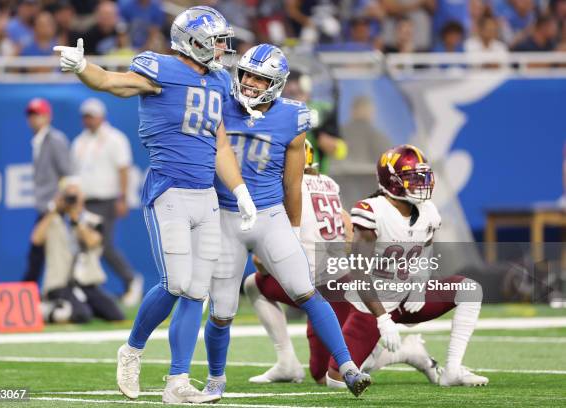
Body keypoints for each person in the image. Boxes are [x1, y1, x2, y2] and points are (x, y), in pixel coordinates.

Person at [53, 6, 257, 404]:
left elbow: (220, 146)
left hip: (206, 197)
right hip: (170, 190)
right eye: (215, 41)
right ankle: (132, 350)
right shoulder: (161, 70)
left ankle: (177, 382)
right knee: (176, 283)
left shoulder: (217, 81)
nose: (221, 49)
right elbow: (113, 82)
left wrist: (241, 191)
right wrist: (83, 67)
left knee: (197, 293)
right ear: (193, 42)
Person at [186, 44, 370, 402]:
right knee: (223, 310)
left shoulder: (294, 117)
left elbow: (292, 182)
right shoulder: (221, 102)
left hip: (270, 215)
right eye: (248, 74)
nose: (251, 82)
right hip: (226, 214)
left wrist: (295, 228)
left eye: (261, 78)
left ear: (277, 83)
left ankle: (348, 367)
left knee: (306, 291)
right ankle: (215, 380)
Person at [243, 141, 440, 386]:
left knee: (325, 376)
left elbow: (260, 261)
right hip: (341, 282)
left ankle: (404, 352)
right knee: (259, 284)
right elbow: (348, 229)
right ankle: (288, 363)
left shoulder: (285, 188)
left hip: (318, 288)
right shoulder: (328, 183)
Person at [324, 144, 489, 387]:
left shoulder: (428, 212)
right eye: (412, 178)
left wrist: (420, 284)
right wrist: (381, 318)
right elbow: (358, 272)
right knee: (337, 381)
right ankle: (404, 352)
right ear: (391, 182)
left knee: (470, 290)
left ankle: (452, 370)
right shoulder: (373, 212)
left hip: (406, 297)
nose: (421, 183)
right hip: (371, 306)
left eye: (422, 176)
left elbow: (426, 250)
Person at [71, 97, 143, 307]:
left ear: (101, 116)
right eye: (85, 117)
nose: (88, 120)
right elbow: (76, 174)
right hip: (85, 202)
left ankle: (131, 280)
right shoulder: (79, 141)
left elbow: (123, 169)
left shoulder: (114, 138)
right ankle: (86, 289)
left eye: (92, 116)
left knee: (104, 246)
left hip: (107, 199)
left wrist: (123, 197)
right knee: (85, 247)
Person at [33, 177, 125, 324]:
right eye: (68, 195)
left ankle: (72, 307)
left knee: (116, 315)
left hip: (86, 283)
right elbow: (36, 239)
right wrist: (53, 210)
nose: (72, 199)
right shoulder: (53, 220)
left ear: (82, 197)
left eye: (75, 195)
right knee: (82, 315)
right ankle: (47, 310)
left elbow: (92, 241)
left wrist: (77, 220)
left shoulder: (92, 220)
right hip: (60, 283)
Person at [23, 98, 71, 283]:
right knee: (39, 253)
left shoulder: (54, 140)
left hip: (53, 208)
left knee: (42, 253)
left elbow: (67, 174)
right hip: (46, 206)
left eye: (38, 114)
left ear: (48, 116)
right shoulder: (39, 141)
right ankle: (29, 289)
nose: (34, 119)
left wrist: (57, 204)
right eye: (31, 115)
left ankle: (27, 288)